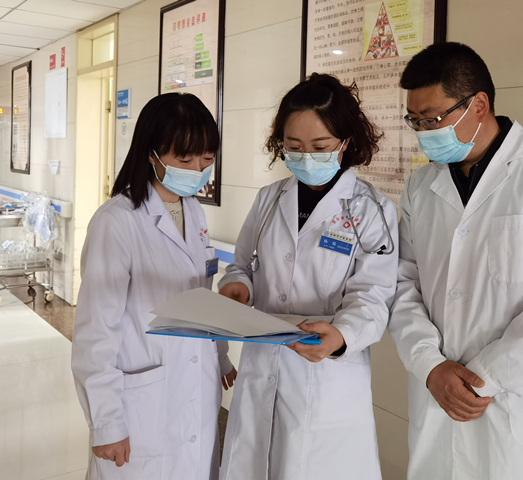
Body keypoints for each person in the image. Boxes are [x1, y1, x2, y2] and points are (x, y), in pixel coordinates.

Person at [388, 42, 523, 480]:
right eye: (415, 121)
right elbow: (402, 283)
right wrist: (429, 364)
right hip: (440, 402)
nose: (423, 132)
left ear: (478, 105)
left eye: (432, 119)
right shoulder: (420, 187)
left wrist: (482, 378)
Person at [218, 73, 398, 480]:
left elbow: (374, 295)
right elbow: (241, 265)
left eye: (320, 147)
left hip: (328, 374)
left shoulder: (372, 210)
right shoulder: (269, 199)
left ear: (346, 142)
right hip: (262, 363)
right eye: (294, 147)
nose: (306, 158)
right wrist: (238, 287)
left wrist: (342, 336)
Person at [71, 93, 237, 480]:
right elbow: (96, 330)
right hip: (141, 395)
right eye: (185, 160)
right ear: (152, 154)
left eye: (206, 159)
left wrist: (221, 356)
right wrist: (107, 424)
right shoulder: (116, 221)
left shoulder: (193, 211)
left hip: (194, 382)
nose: (198, 170)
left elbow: (200, 297)